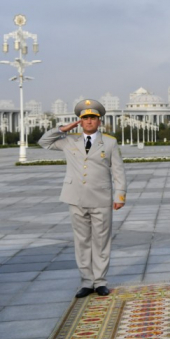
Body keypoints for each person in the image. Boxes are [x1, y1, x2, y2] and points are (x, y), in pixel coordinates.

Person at [38, 99, 126, 298]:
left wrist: (119, 195)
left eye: (92, 118)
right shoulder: (69, 140)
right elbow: (44, 142)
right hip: (76, 197)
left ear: (99, 121)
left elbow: (118, 171)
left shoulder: (109, 142)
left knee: (101, 241)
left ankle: (100, 281)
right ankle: (87, 282)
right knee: (82, 241)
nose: (89, 121)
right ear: (79, 121)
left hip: (101, 198)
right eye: (85, 118)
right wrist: (63, 128)